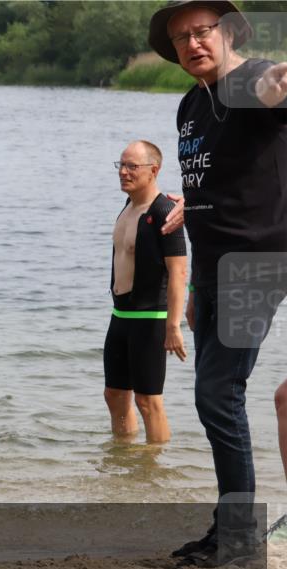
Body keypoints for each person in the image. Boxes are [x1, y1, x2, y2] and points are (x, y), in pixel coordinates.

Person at [147, 0, 287, 566]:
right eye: (181, 38)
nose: (192, 44)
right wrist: (191, 205)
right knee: (218, 397)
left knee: (216, 395)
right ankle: (231, 528)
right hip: (214, 267)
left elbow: (275, 87)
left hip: (258, 259)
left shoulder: (252, 79)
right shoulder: (189, 106)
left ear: (227, 33)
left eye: (202, 31)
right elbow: (217, 175)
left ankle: (235, 535)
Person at [104, 141, 188, 444]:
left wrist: (173, 326)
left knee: (148, 402)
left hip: (150, 317)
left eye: (132, 167)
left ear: (154, 170)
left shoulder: (166, 211)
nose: (124, 172)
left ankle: (155, 471)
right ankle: (125, 461)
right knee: (114, 395)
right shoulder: (127, 207)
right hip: (120, 316)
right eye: (121, 165)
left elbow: (179, 271)